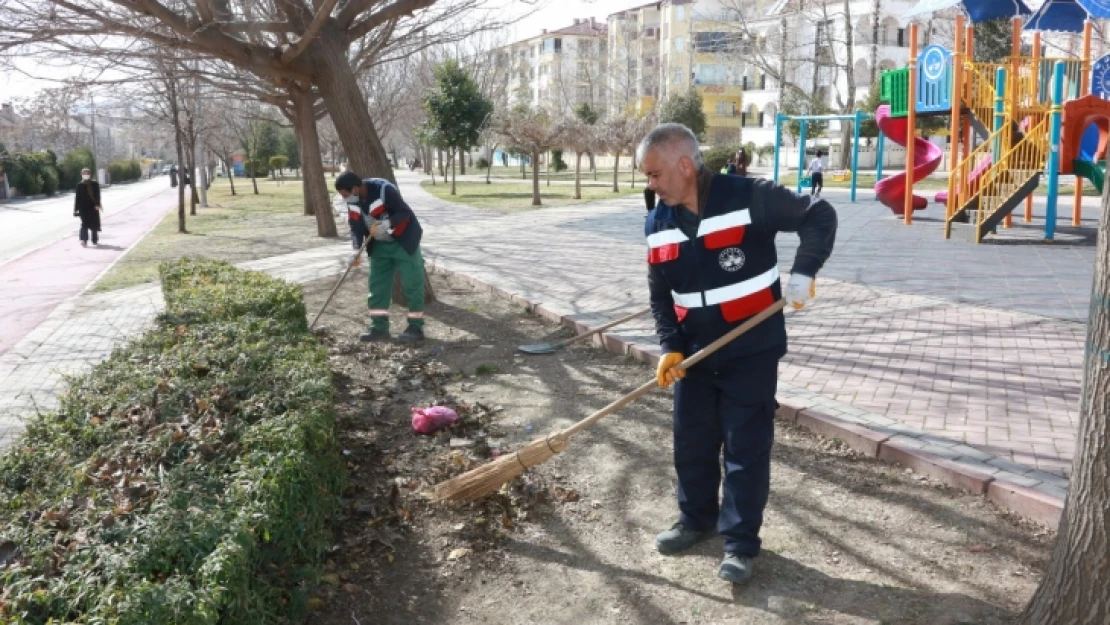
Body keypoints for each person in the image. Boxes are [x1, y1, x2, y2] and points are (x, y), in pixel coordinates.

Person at [640, 123, 836, 584]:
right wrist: (669, 347)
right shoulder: (657, 222)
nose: (649, 185)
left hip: (751, 349)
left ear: (684, 166)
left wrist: (804, 271)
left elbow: (819, 214)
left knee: (745, 449)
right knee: (692, 441)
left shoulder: (749, 197)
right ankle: (695, 519)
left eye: (654, 174)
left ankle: (741, 543)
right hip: (694, 355)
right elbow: (659, 297)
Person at [334, 171, 427, 344]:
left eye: (345, 194)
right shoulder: (353, 201)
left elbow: (404, 212)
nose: (344, 199)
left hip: (403, 242)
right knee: (377, 287)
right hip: (379, 246)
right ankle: (379, 328)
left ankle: (415, 327)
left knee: (412, 285)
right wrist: (355, 249)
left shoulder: (384, 190)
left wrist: (387, 223)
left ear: (355, 188)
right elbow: (355, 226)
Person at [73, 167, 102, 247]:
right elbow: (77, 198)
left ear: (90, 174)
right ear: (82, 175)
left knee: (94, 224)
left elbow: (98, 195)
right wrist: (75, 209)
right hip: (83, 208)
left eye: (87, 173)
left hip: (93, 207)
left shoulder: (94, 184)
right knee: (84, 224)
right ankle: (84, 240)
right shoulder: (80, 185)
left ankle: (94, 239)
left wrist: (97, 204)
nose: (85, 175)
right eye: (84, 173)